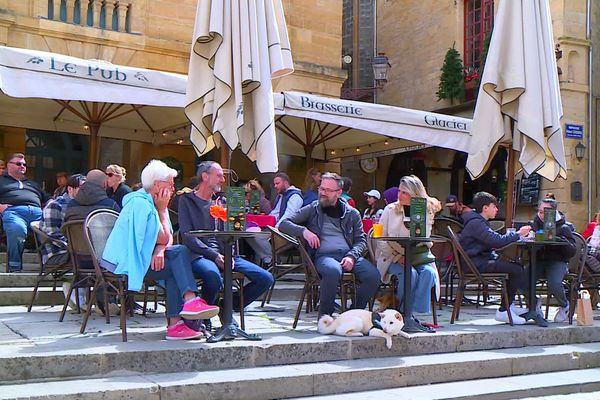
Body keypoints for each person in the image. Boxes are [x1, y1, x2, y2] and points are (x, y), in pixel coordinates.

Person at [102, 160, 220, 340]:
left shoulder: (152, 203)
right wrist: (163, 211)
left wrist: (160, 249)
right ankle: (190, 302)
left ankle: (177, 324)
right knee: (180, 253)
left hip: (144, 257)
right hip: (126, 263)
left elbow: (168, 237)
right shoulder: (141, 204)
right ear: (157, 185)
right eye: (171, 184)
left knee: (175, 263)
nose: (173, 188)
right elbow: (160, 237)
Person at [178, 161, 273, 329]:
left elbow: (235, 232)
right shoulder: (187, 200)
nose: (223, 179)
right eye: (219, 175)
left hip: (228, 254)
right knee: (213, 275)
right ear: (205, 176)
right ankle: (203, 316)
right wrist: (215, 256)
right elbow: (187, 236)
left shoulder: (225, 199)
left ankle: (226, 308)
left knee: (265, 278)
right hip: (201, 255)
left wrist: (237, 219)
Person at [279, 172, 380, 317]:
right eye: (321, 189)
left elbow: (361, 240)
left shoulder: (352, 213)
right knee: (333, 271)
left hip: (349, 256)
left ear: (338, 192)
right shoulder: (313, 208)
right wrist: (304, 231)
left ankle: (353, 314)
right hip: (324, 256)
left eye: (327, 190)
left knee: (373, 275)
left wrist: (351, 256)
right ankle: (325, 317)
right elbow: (284, 224)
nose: (323, 193)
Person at [375, 175, 440, 330]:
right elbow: (380, 239)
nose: (400, 195)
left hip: (417, 255)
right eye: (400, 191)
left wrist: (421, 216)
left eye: (405, 192)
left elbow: (423, 236)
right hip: (392, 256)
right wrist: (397, 257)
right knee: (410, 274)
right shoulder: (390, 210)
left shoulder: (425, 209)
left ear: (414, 194)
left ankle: (410, 313)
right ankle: (403, 313)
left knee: (428, 274)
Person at [459, 192, 531, 324]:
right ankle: (504, 310)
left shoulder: (477, 221)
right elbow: (496, 241)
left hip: (478, 261)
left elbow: (493, 241)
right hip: (476, 264)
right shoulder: (476, 223)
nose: (497, 209)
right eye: (494, 206)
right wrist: (518, 234)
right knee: (517, 269)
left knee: (515, 266)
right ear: (485, 208)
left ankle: (508, 306)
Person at [0, 153, 49, 271]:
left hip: (38, 213)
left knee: (51, 230)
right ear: (8, 165)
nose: (22, 166)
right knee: (17, 229)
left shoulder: (32, 184)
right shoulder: (1, 181)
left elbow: (48, 199)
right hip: (14, 211)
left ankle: (52, 264)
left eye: (24, 164)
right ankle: (14, 265)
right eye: (18, 164)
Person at [531, 198, 576, 322]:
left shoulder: (565, 227)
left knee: (554, 283)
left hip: (558, 261)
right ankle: (534, 304)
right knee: (522, 278)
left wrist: (559, 240)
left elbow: (572, 251)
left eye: (546, 212)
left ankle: (565, 306)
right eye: (540, 212)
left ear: (554, 212)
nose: (541, 215)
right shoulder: (534, 224)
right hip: (539, 260)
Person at [39, 174, 86, 266]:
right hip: (57, 254)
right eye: (82, 188)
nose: (86, 191)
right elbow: (53, 234)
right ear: (70, 189)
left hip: (79, 252)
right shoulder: (55, 205)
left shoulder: (82, 206)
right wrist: (75, 247)